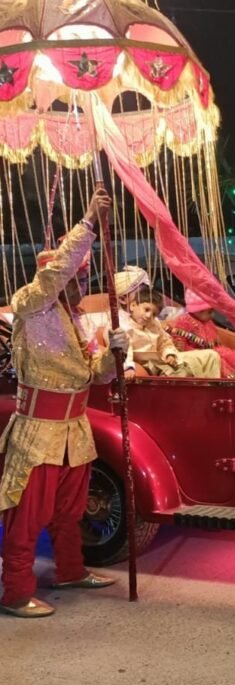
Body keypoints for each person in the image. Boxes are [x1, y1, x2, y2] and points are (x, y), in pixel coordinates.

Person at [0, 189, 129, 618]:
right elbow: (55, 273)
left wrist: (114, 354)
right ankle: (16, 591)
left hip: (75, 430)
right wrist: (89, 221)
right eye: (77, 277)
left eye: (87, 278)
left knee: (69, 511)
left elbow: (92, 376)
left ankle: (70, 570)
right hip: (39, 432)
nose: (83, 285)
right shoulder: (32, 303)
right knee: (26, 516)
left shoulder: (74, 319)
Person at [120, 286, 221, 380]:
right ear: (133, 306)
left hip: (164, 358)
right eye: (146, 310)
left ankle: (214, 390)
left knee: (212, 355)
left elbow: (165, 342)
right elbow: (124, 351)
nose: (148, 315)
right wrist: (128, 367)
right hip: (150, 363)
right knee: (180, 373)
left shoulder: (154, 324)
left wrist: (169, 354)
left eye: (154, 314)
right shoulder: (124, 327)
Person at [165, 289, 235, 378]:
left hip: (216, 350)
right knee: (220, 360)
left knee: (234, 357)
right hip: (201, 355)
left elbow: (215, 340)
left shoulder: (208, 322)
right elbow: (180, 346)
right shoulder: (184, 322)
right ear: (199, 311)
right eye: (210, 312)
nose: (213, 315)